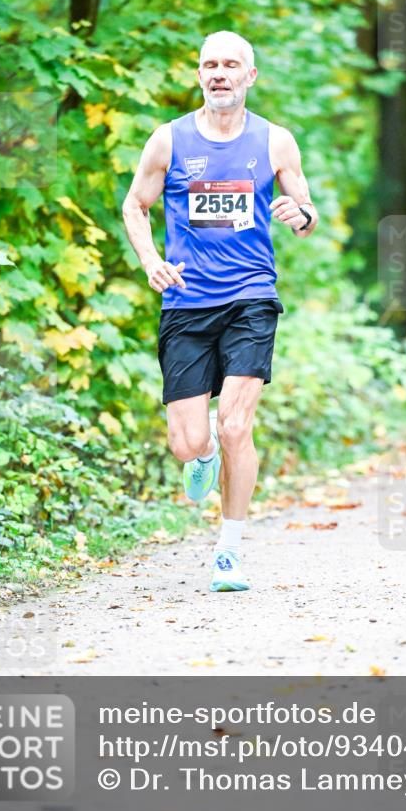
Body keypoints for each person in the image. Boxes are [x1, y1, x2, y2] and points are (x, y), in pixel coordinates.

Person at [122, 30, 318, 592]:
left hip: (251, 296)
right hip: (185, 300)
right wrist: (149, 259)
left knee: (237, 425)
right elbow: (135, 205)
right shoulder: (169, 140)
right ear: (200, 74)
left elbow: (307, 214)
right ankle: (200, 446)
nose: (220, 73)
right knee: (187, 444)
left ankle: (228, 552)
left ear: (250, 76)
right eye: (211, 64)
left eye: (231, 64)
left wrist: (297, 214)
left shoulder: (275, 141)